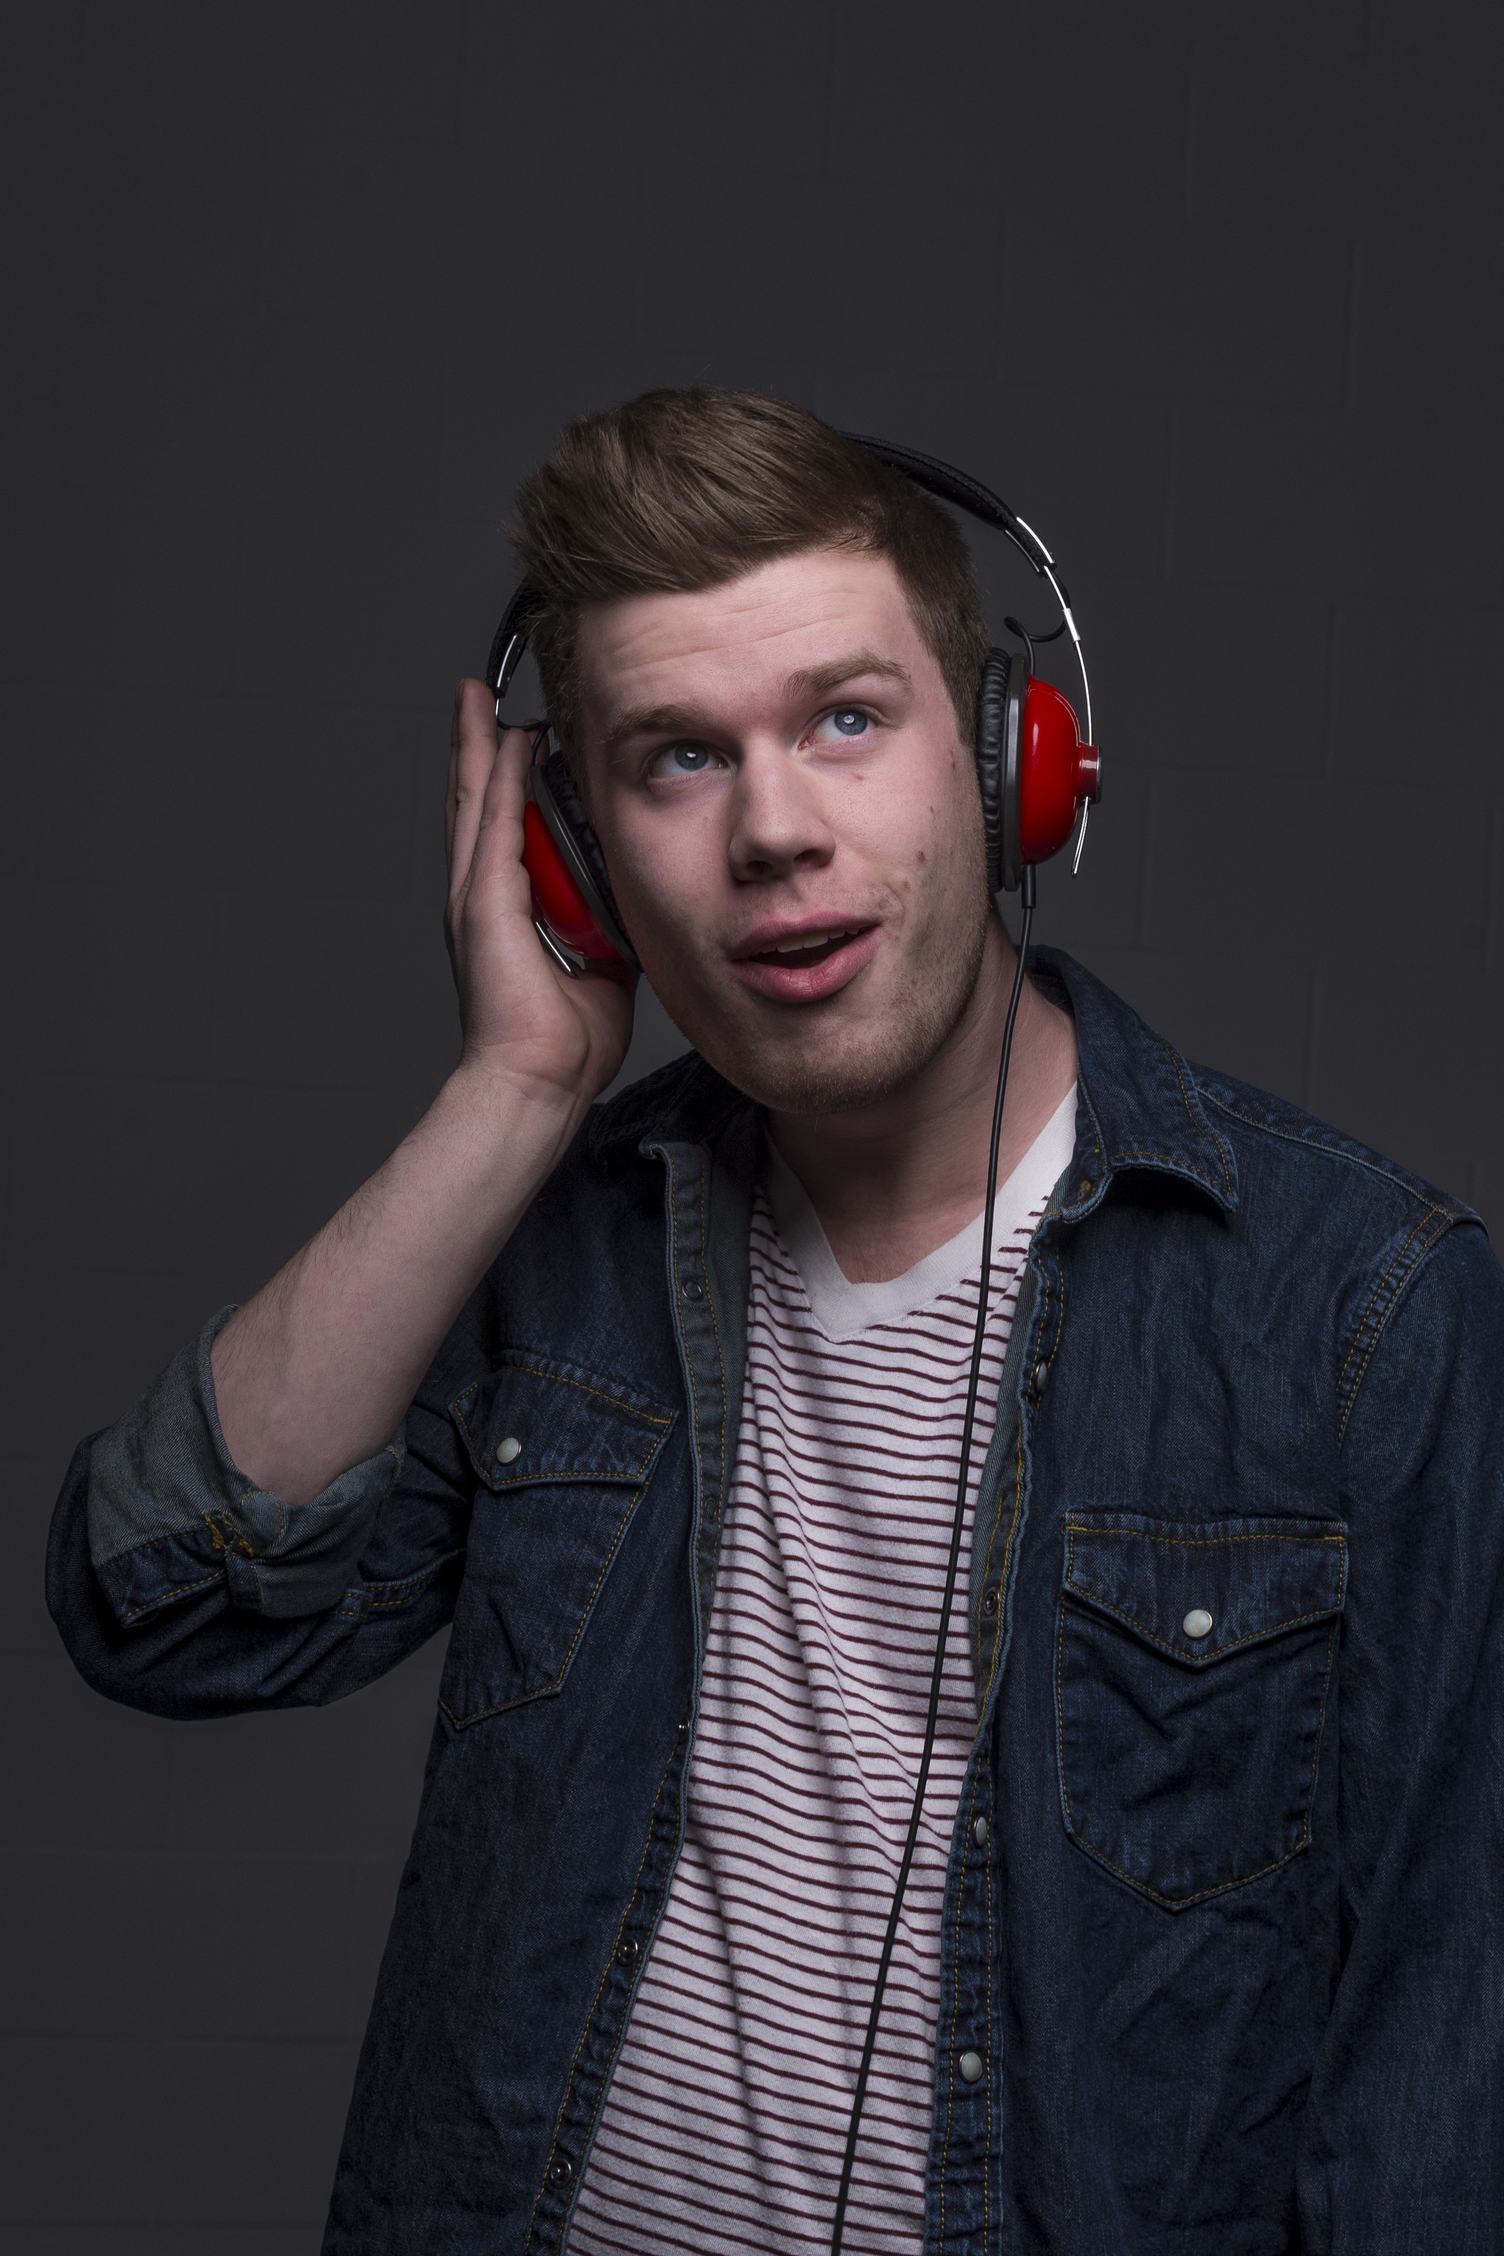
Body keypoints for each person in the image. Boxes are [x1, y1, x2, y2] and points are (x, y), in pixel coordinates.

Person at [45, 386, 1504, 2256]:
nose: (775, 833)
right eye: (674, 759)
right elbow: (163, 1606)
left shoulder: (1367, 1314)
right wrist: (510, 1091)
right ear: (573, 854)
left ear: (1013, 763)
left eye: (846, 717)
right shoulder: (558, 1236)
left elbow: (1437, 2100)